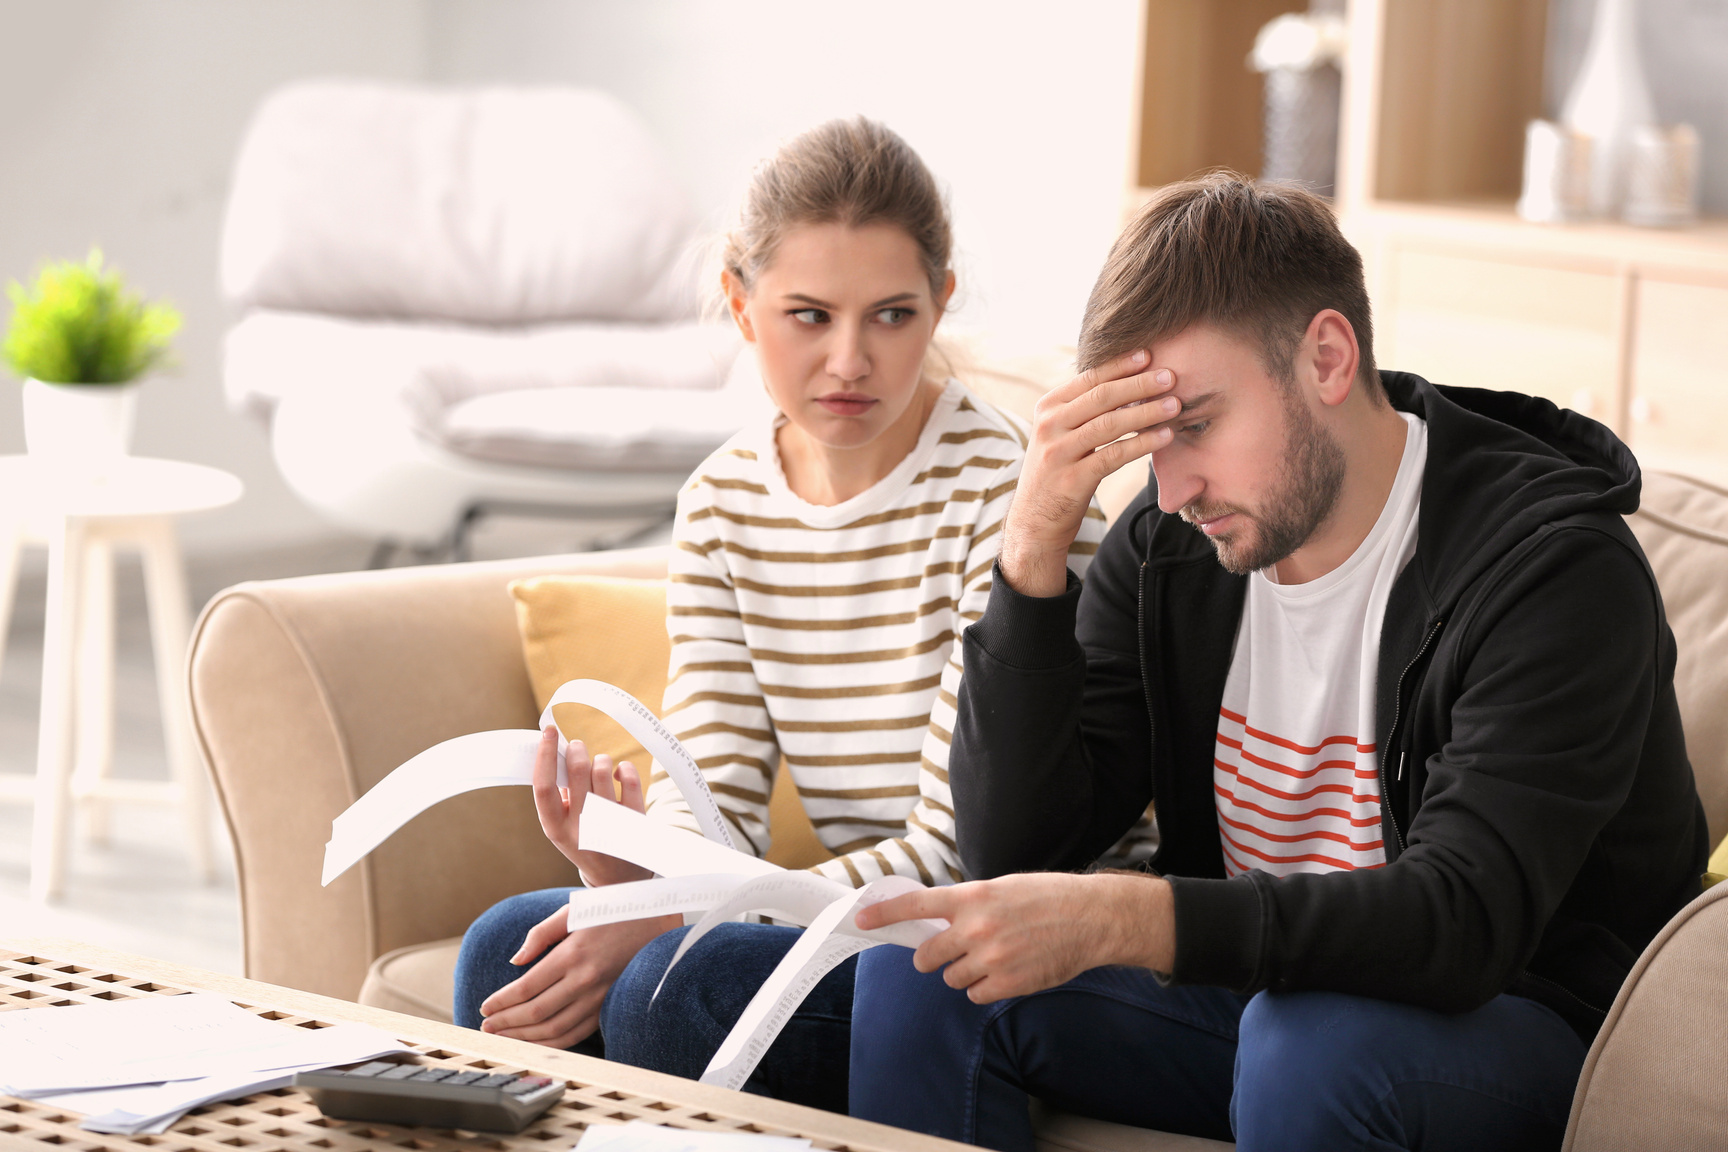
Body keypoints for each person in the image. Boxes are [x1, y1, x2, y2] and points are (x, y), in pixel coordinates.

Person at [845, 174, 1708, 1152]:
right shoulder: (1176, 544)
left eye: (1199, 424)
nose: (1171, 490)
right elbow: (1014, 855)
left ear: (1328, 358)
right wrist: (1036, 535)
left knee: (1313, 1037)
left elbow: (1463, 921)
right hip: (1267, 1008)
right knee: (924, 970)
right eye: (1147, 442)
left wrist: (1130, 919)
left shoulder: (1553, 570)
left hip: (1529, 1033)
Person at [451, 117, 1141, 1112]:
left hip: (985, 929)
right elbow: (712, 789)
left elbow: (964, 845)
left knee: (670, 987)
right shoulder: (724, 500)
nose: (850, 360)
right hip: (834, 912)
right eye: (809, 316)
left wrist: (670, 921)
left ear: (941, 301)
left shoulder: (1010, 498)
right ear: (742, 306)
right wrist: (630, 880)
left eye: (893, 316)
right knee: (500, 955)